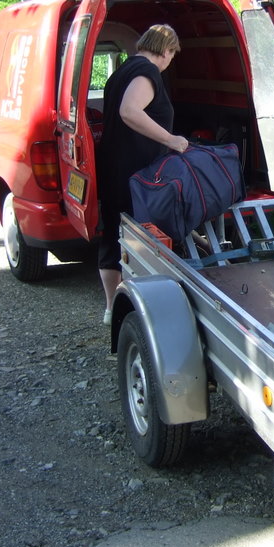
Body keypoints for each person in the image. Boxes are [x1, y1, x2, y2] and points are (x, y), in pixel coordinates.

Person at [97, 24, 189, 325]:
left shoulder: (121, 72)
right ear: (166, 50)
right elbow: (130, 111)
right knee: (142, 238)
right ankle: (144, 311)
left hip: (113, 168)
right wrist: (171, 139)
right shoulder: (147, 72)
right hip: (137, 175)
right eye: (172, 54)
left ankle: (112, 309)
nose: (170, 61)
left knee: (112, 234)